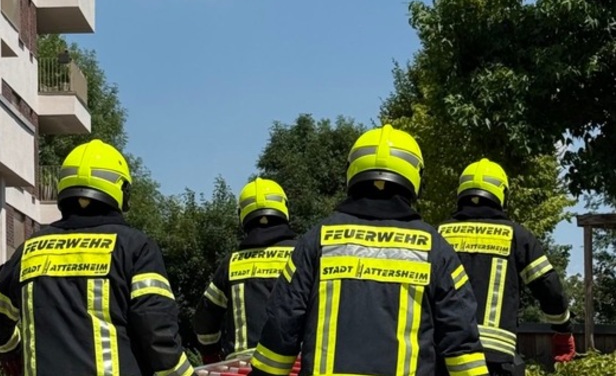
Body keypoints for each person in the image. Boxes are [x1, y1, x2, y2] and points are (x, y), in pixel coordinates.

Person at [247, 124, 489, 376]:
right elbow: (461, 339)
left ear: (352, 172)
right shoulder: (436, 249)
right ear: (415, 176)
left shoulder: (317, 240)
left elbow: (282, 324)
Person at [0, 139, 194, 376]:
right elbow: (157, 335)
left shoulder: (30, 250)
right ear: (120, 191)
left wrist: (12, 351)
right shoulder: (134, 248)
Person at [437, 158, 575, 376]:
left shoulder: (439, 235)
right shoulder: (517, 236)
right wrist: (562, 330)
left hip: (444, 354)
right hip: (495, 359)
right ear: (501, 194)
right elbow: (548, 286)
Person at [192, 177, 299, 364]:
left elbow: (204, 320)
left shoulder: (231, 264)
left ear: (243, 215)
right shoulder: (302, 255)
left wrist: (211, 354)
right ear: (284, 209)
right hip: (294, 364)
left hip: (241, 368)